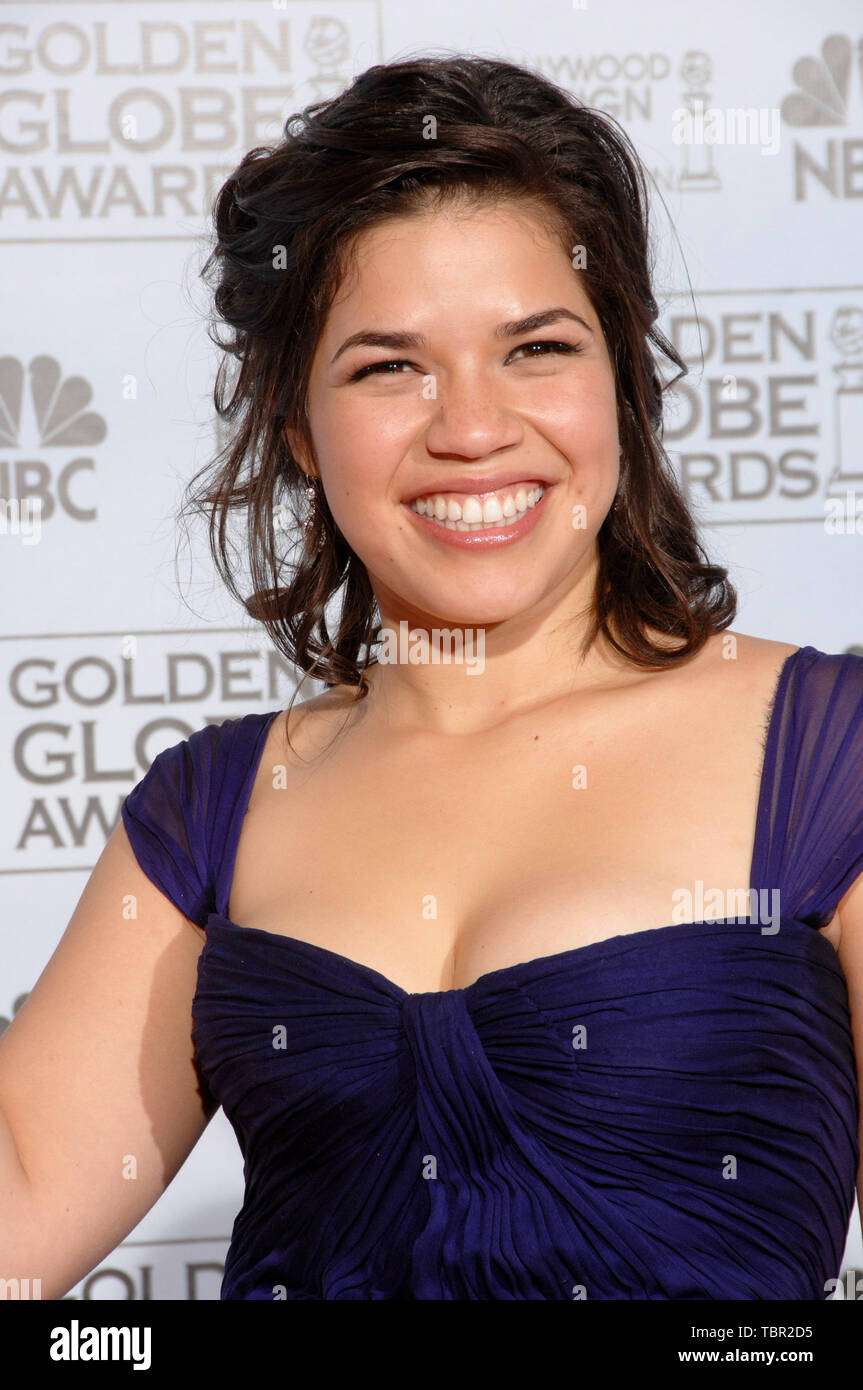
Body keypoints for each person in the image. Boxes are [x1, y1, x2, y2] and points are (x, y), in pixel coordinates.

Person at [1, 53, 862, 1302]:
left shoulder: (826, 755)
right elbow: (25, 1192)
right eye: (388, 366)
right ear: (297, 428)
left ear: (621, 379)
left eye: (536, 348)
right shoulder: (208, 813)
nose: (469, 427)